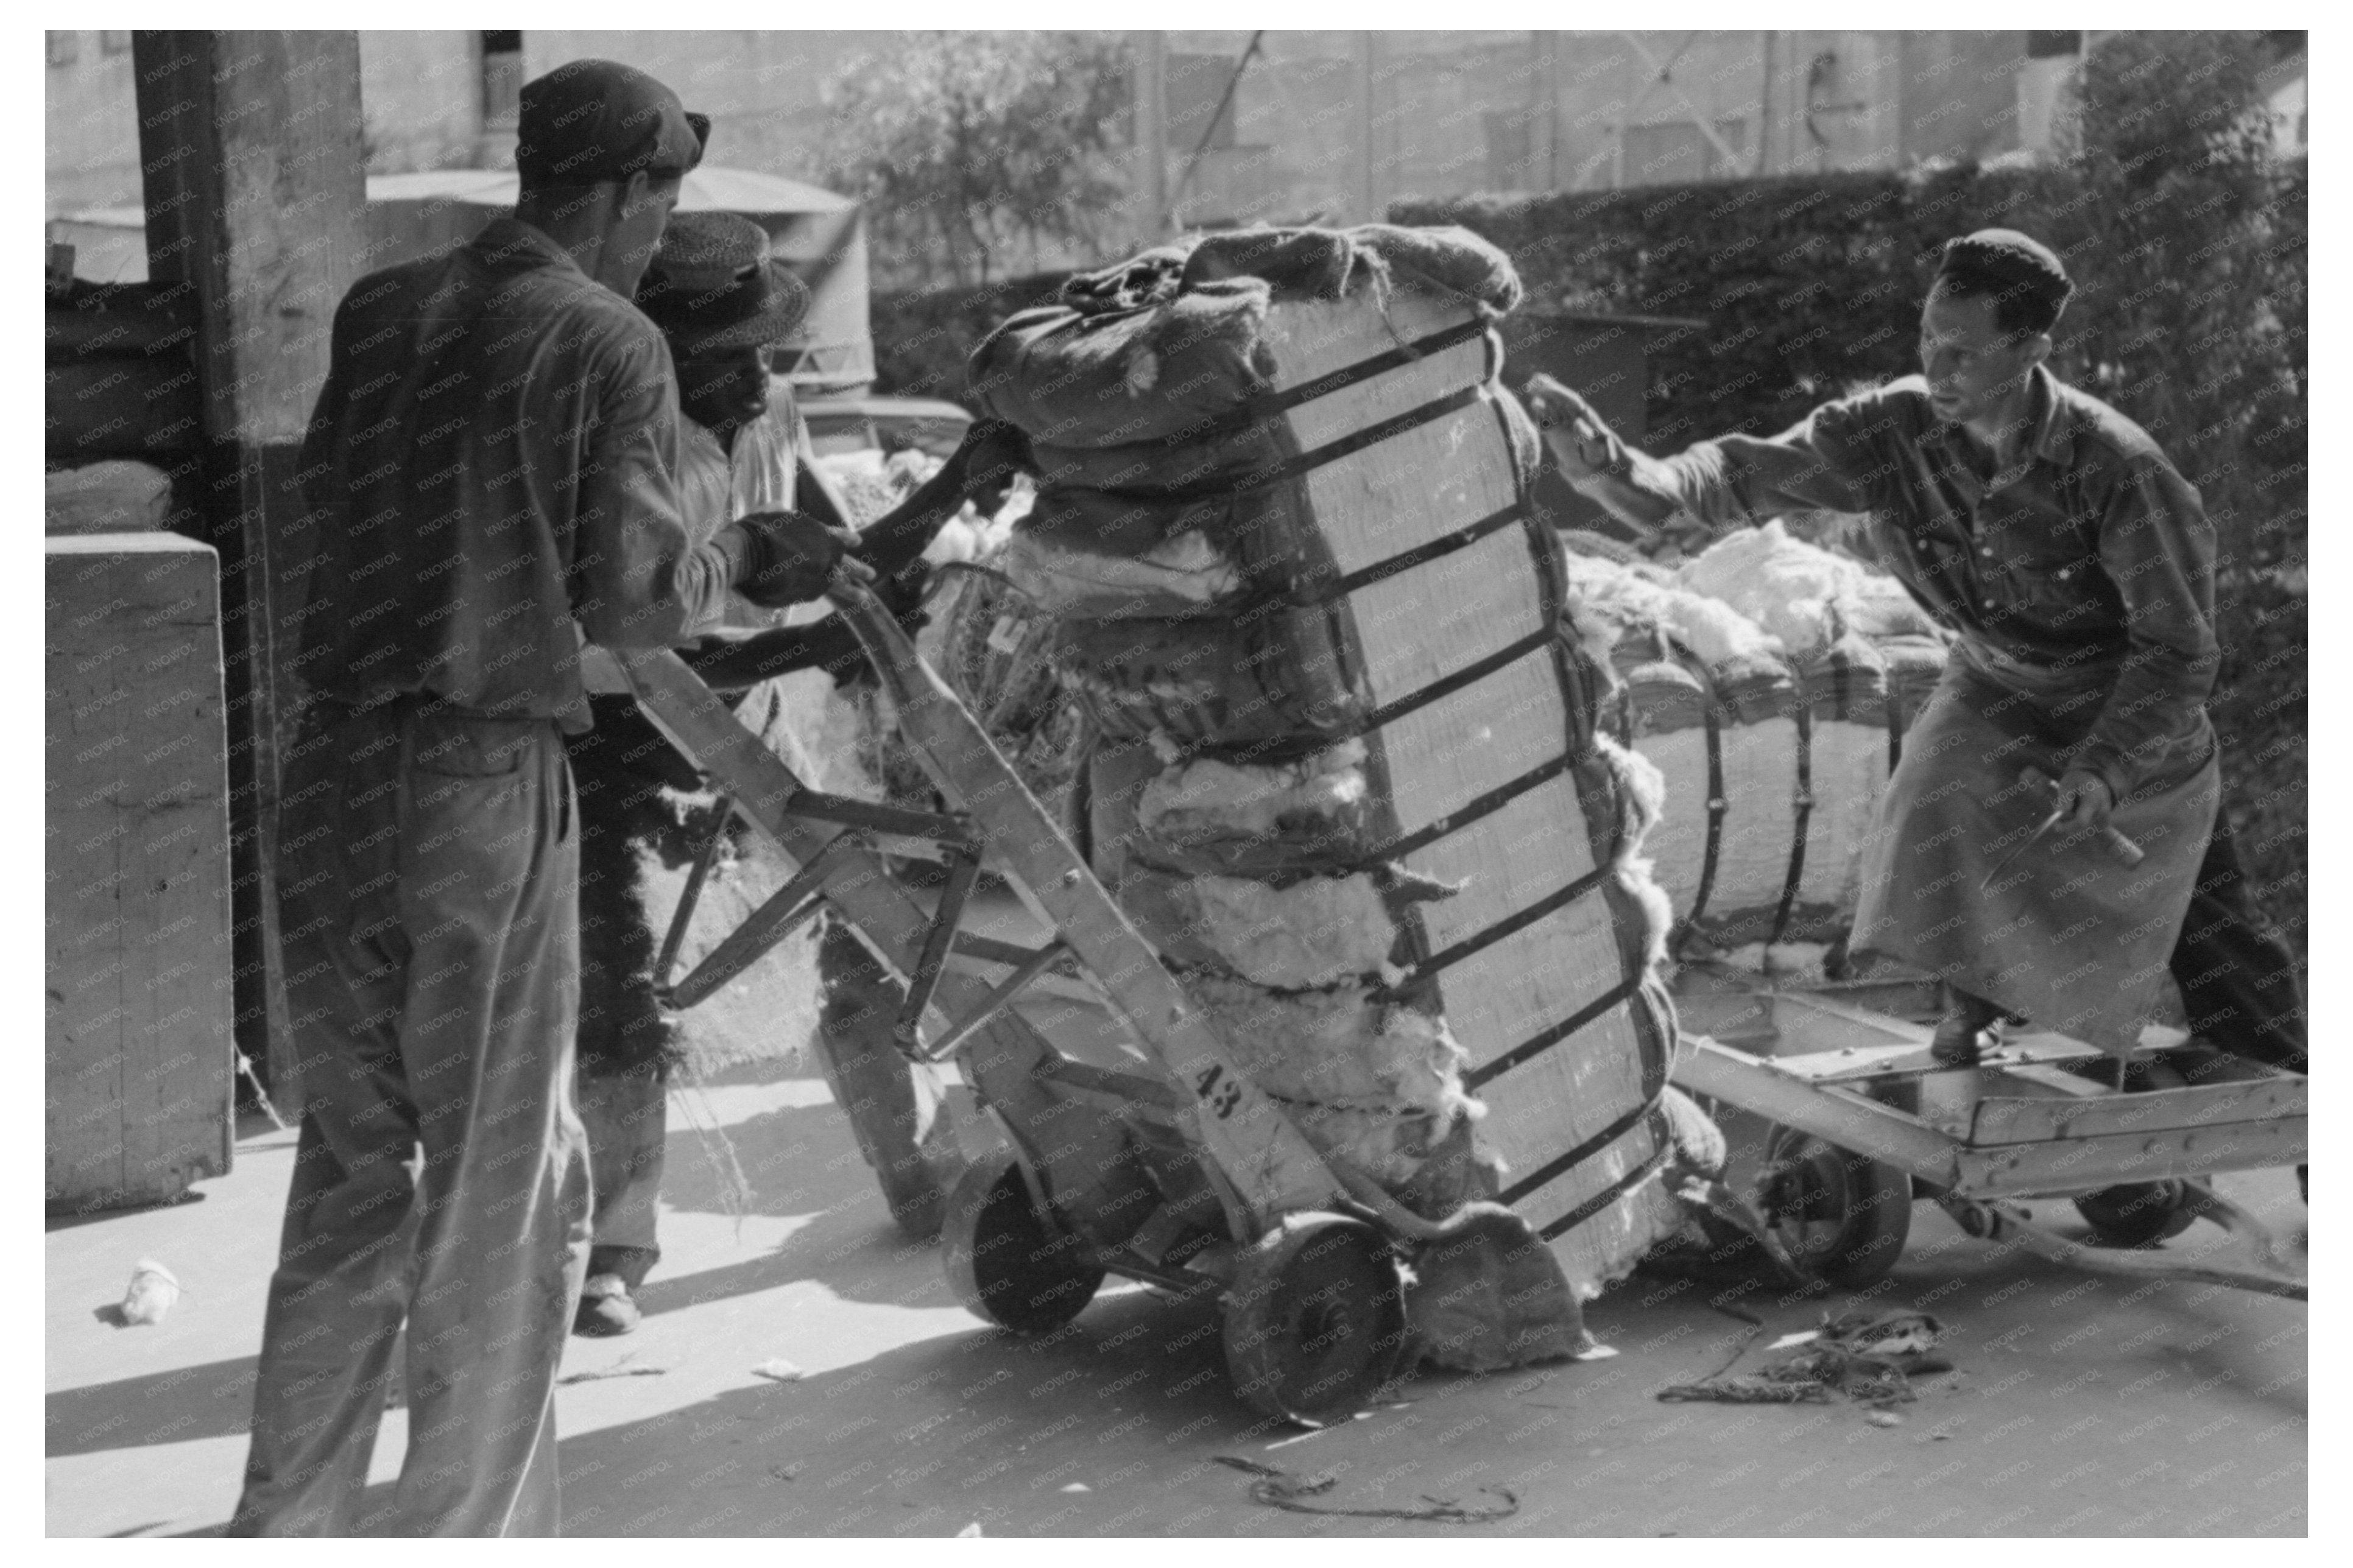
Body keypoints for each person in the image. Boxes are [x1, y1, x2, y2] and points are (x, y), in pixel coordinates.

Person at [233, 60, 858, 1537]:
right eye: (664, 199)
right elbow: (638, 600)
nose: (663, 230)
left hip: (325, 773)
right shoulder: (609, 340)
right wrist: (752, 560)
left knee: (347, 1178)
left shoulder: (381, 313)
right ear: (631, 193)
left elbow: (344, 500)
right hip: (476, 780)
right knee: (501, 1198)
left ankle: (289, 1525)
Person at [1524, 229, 2304, 1077]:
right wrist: (1617, 473)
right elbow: (1734, 478)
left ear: (2033, 349)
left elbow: (2180, 650)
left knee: (2216, 937)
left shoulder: (2118, 468)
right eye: (1929, 340)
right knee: (1931, 810)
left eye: (1963, 353)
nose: (1937, 370)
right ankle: (1973, 1025)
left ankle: (2305, 1115)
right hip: (1995, 686)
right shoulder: (1891, 429)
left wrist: (2107, 767)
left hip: (2126, 704)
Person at [566, 213, 999, 1334]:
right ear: (665, 356)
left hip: (752, 724)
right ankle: (617, 1248)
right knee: (624, 1001)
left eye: (764, 348)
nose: (755, 372)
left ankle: (916, 1178)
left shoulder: (774, 415)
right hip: (624, 740)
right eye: (727, 355)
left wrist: (963, 478)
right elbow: (628, 641)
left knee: (859, 943)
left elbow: (846, 557)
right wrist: (808, 641)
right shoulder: (626, 454)